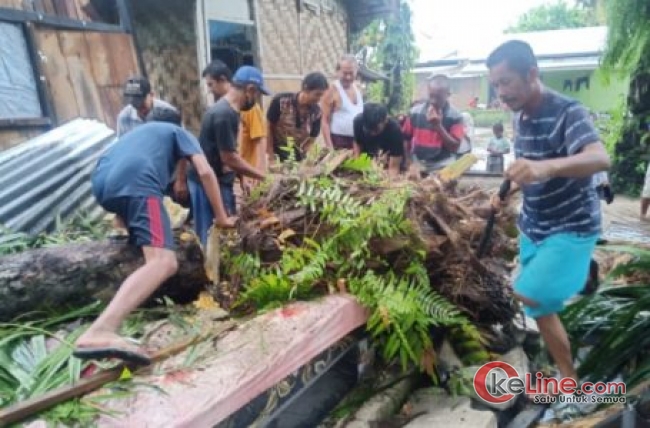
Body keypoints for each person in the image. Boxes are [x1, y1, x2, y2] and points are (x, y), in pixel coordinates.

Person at [487, 40, 610, 418]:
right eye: (496, 85)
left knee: (529, 292)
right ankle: (569, 379)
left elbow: (600, 157)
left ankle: (581, 269)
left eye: (507, 82)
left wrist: (547, 167)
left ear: (532, 74)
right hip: (534, 223)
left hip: (570, 225)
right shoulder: (518, 113)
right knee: (541, 306)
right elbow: (524, 163)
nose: (502, 93)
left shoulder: (567, 111)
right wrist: (503, 192)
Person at [73, 109, 234, 365]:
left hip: (102, 184)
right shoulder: (178, 132)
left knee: (147, 247)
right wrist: (222, 218)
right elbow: (204, 171)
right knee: (164, 262)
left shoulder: (138, 135)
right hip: (137, 181)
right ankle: (101, 331)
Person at [180, 66, 269, 247]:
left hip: (220, 179)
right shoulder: (224, 115)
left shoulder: (230, 111)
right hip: (206, 182)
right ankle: (209, 273)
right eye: (257, 94)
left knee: (225, 233)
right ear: (250, 90)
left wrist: (242, 177)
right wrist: (263, 176)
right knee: (213, 235)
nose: (256, 99)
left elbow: (230, 150)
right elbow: (229, 158)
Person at [402, 75, 465, 175]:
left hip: (444, 165)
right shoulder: (415, 112)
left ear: (448, 94)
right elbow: (405, 138)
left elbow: (455, 147)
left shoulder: (456, 117)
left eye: (438, 97)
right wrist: (408, 160)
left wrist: (438, 126)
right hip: (418, 163)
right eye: (431, 96)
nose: (434, 101)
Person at [266, 72, 328, 163]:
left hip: (295, 155)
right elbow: (268, 128)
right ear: (306, 89)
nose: (319, 99)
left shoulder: (316, 113)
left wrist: (309, 157)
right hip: (275, 152)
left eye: (321, 95)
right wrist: (270, 156)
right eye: (317, 94)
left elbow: (311, 140)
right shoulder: (281, 101)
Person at [321, 54, 364, 150]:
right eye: (345, 73)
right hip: (338, 140)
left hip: (357, 140)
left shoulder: (358, 88)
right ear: (338, 71)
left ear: (356, 71)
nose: (348, 77)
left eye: (351, 73)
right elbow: (324, 121)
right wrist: (330, 147)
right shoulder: (331, 90)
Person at [352, 103, 404, 177]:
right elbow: (357, 143)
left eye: (376, 130)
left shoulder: (395, 130)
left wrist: (389, 183)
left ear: (385, 120)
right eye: (369, 130)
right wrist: (357, 165)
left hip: (386, 163)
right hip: (367, 160)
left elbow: (394, 167)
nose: (372, 133)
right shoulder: (358, 121)